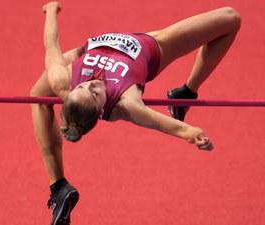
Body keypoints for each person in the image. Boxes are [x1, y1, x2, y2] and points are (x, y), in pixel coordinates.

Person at [30, 2, 241, 224]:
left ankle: (59, 188)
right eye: (94, 94)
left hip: (88, 50)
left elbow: (51, 44)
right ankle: (187, 94)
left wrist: (51, 10)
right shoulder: (126, 102)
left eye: (83, 87)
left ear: (72, 90)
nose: (92, 83)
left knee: (38, 96)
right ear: (102, 109)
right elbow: (160, 123)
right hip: (148, 46)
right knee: (230, 19)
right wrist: (191, 132)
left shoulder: (62, 81)